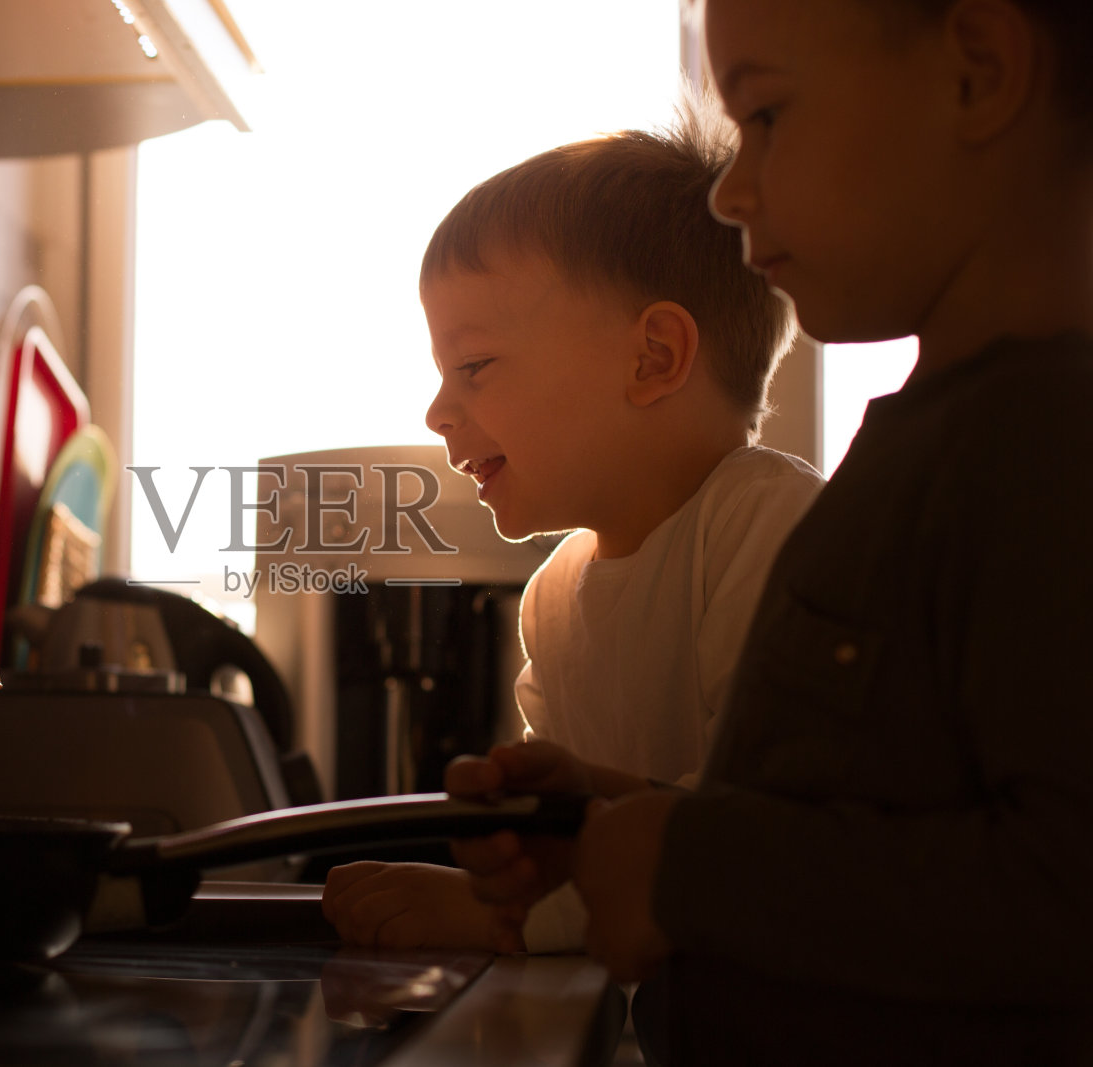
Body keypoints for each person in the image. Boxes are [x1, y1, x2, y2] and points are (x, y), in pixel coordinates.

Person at [447, 0, 1093, 1060]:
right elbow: (875, 807)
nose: (731, 188)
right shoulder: (939, 443)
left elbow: (1068, 883)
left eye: (767, 115)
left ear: (976, 73)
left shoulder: (1044, 447)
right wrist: (610, 816)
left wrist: (684, 864)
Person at [321, 107, 823, 954]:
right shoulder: (553, 598)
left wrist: (503, 919)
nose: (439, 411)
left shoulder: (761, 525)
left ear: (653, 357)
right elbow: (567, 852)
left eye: (472, 366)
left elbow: (768, 839)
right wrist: (507, 864)